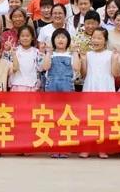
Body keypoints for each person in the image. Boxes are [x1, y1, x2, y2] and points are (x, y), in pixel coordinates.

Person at [79, 27, 120, 159]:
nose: (96, 40)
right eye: (94, 38)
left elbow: (115, 73)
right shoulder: (88, 54)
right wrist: (83, 60)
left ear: (105, 40)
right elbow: (84, 74)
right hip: (90, 88)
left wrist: (116, 59)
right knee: (89, 119)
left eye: (99, 38)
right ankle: (87, 147)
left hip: (105, 89)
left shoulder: (110, 54)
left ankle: (103, 148)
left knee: (104, 120)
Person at [42, 28, 80, 159]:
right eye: (57, 37)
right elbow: (45, 67)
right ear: (53, 40)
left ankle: (65, 147)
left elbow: (77, 68)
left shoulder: (71, 55)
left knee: (66, 118)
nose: (60, 39)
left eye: (63, 37)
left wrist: (75, 52)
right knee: (53, 118)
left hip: (67, 89)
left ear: (68, 40)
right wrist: (48, 52)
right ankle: (53, 147)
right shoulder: (50, 55)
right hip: (52, 89)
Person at [9, 25, 41, 91]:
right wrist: (7, 50)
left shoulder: (36, 52)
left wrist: (43, 53)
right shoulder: (14, 50)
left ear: (32, 38)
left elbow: (40, 68)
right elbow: (8, 67)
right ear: (19, 38)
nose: (25, 38)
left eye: (27, 36)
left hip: (32, 85)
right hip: (16, 84)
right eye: (22, 36)